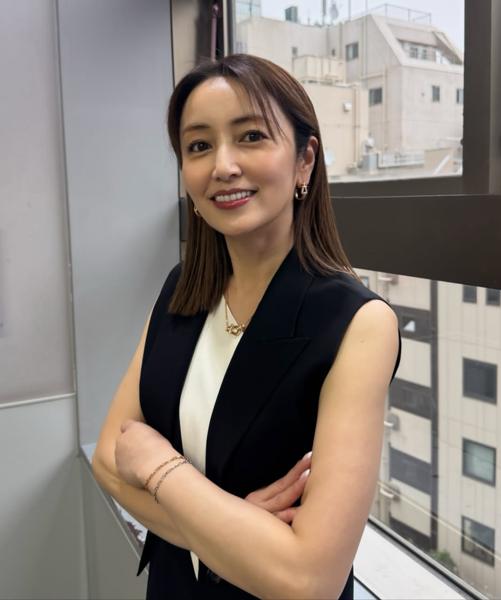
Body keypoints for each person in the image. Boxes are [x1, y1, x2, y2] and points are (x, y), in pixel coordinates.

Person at [92, 53, 401, 599]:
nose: (223, 165)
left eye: (251, 136)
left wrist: (160, 467)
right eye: (198, 146)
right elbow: (108, 463)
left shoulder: (358, 323)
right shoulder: (182, 290)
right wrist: (233, 534)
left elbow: (310, 579)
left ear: (305, 161)